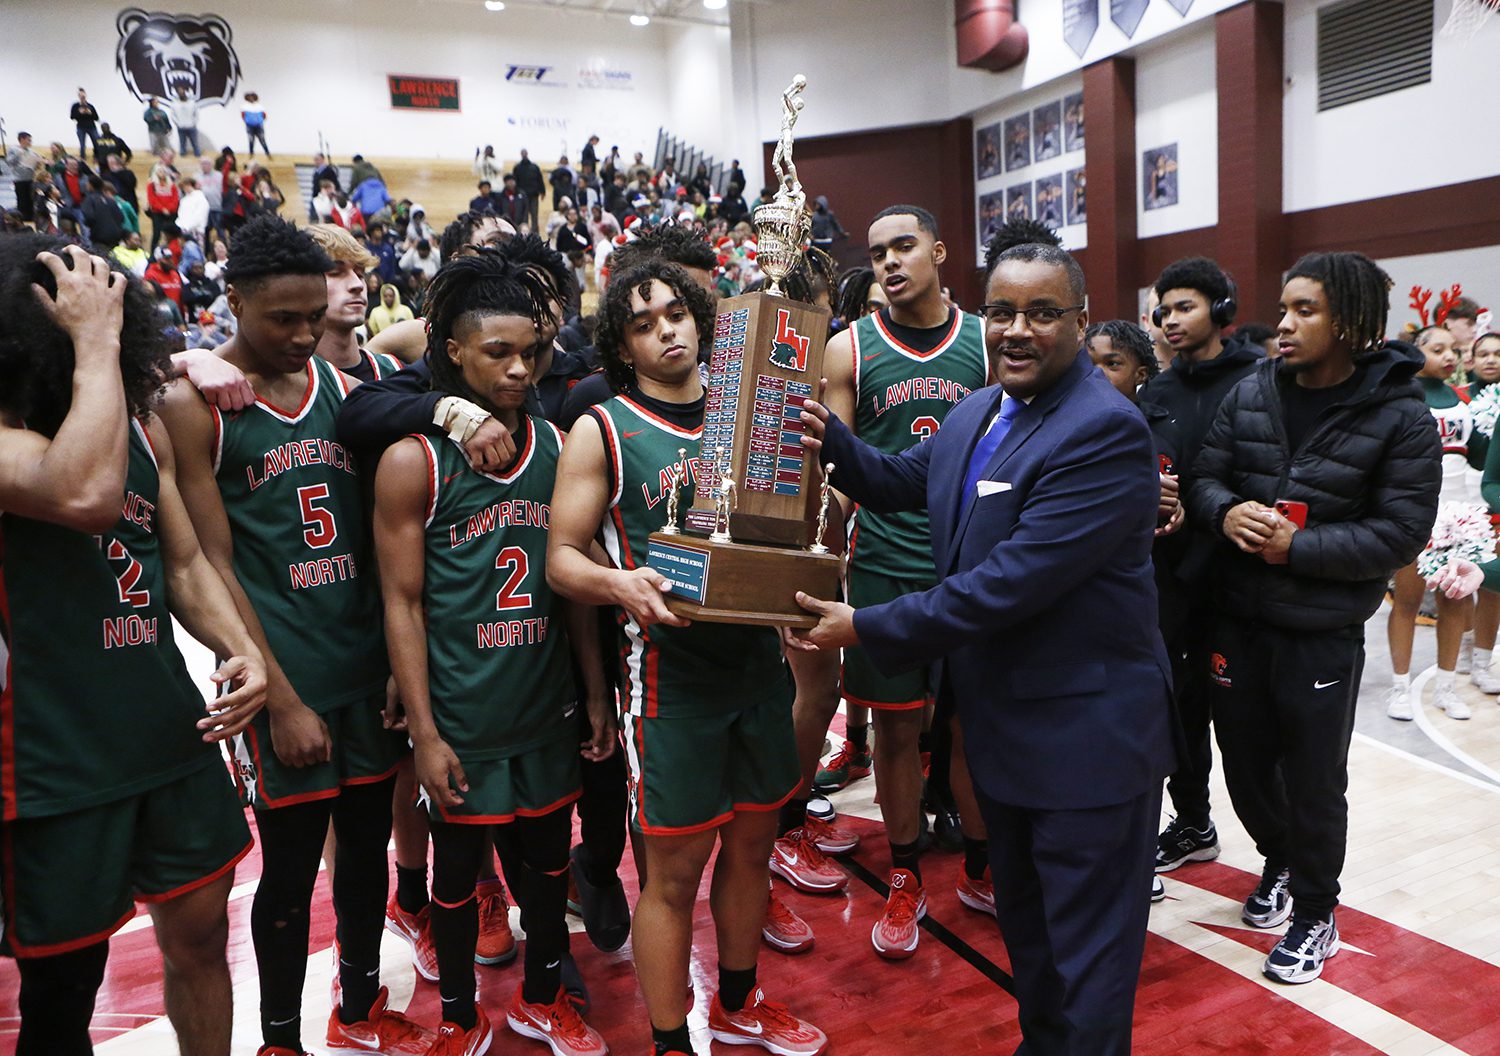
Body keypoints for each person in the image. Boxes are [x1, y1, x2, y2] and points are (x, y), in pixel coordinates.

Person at [793, 241, 1174, 1054]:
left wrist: (860, 623)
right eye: (1003, 312)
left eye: (1042, 313)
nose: (1018, 330)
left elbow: (1006, 585)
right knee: (1033, 949)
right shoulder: (978, 412)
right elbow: (900, 480)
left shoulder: (1104, 432)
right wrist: (827, 435)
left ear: (1079, 321)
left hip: (1087, 748)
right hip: (1004, 737)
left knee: (1089, 968)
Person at [547, 257, 827, 1056]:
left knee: (751, 849)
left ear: (702, 318)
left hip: (757, 673)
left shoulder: (751, 417)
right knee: (671, 877)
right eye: (642, 323)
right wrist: (618, 583)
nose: (665, 329)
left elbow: (779, 533)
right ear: (622, 345)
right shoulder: (603, 428)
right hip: (669, 684)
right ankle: (673, 1042)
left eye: (675, 312)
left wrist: (791, 601)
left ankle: (738, 1003)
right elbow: (560, 557)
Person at [157, 215, 420, 1056]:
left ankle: (360, 1008)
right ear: (231, 301)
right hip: (286, 676)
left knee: (367, 851)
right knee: (292, 865)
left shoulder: (349, 391)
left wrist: (392, 667)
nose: (306, 334)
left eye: (317, 318)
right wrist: (280, 699)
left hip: (362, 664)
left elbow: (383, 546)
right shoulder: (198, 405)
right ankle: (279, 1039)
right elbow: (214, 563)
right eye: (284, 319)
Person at [0, 235, 267, 1056]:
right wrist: (95, 343)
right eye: (81, 311)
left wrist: (241, 649)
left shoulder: (142, 422)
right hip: (53, 761)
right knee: (62, 993)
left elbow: (181, 561)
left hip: (167, 733)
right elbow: (81, 491)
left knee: (199, 946)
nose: (103, 317)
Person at [374, 250, 611, 1056]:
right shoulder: (414, 459)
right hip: (464, 710)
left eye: (529, 354)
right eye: (497, 354)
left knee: (548, 864)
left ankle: (545, 996)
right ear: (454, 355)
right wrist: (427, 734)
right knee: (455, 870)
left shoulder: (557, 444)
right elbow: (401, 604)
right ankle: (459, 1016)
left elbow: (571, 580)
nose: (518, 370)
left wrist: (597, 692)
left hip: (544, 700)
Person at [1187, 251, 1440, 983]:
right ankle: (1280, 861)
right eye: (1286, 308)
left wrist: (1301, 546)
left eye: (1307, 311)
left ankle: (1316, 914)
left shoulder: (1403, 417)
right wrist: (1225, 510)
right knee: (1242, 761)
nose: (1287, 324)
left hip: (1320, 630)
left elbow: (1401, 534)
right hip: (1237, 616)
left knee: (1313, 779)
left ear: (1352, 322)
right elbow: (1205, 476)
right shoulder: (1255, 388)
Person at [784, 205, 988, 958]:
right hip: (885, 563)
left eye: (904, 246)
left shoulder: (984, 340)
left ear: (939, 248)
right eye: (877, 252)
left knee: (970, 726)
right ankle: (905, 876)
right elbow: (838, 465)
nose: (890, 261)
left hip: (970, 560)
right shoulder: (850, 348)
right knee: (899, 729)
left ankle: (981, 863)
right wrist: (817, 538)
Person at [1136, 256, 1262, 877]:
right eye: (1164, 309)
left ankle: (1281, 852)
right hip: (1169, 579)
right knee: (1177, 711)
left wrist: (1210, 509)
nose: (1170, 319)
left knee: (1244, 725)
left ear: (1222, 309)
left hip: (1241, 578)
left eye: (1184, 306)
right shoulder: (1155, 391)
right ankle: (1192, 823)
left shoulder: (1260, 382)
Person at [1385, 324, 1487, 721]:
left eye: (1453, 351)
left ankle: (1446, 686)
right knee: (1408, 600)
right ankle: (1399, 686)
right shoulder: (1402, 397)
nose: (1449, 356)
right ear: (1416, 351)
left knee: (1455, 600)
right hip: (1416, 510)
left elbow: (1477, 456)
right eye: (1437, 348)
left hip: (1459, 512)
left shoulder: (1463, 398)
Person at [5, 131, 43, 222]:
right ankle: (22, 219)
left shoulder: (31, 151)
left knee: (30, 199)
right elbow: (9, 162)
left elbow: (35, 164)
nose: (30, 142)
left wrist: (37, 162)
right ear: (22, 139)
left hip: (30, 178)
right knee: (22, 200)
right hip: (19, 179)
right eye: (28, 140)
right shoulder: (13, 149)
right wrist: (19, 154)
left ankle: (31, 218)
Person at [169, 87, 201, 157]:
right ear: (178, 94)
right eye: (180, 93)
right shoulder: (174, 104)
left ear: (185, 93)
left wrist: (193, 123)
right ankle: (183, 153)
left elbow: (196, 114)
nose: (181, 94)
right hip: (181, 127)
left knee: (195, 142)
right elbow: (173, 115)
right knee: (182, 142)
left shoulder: (192, 103)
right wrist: (178, 124)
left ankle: (197, 153)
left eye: (182, 92)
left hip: (191, 126)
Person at [70, 87, 100, 158]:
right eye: (81, 96)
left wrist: (90, 113)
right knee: (82, 145)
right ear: (78, 96)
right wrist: (79, 112)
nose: (82, 97)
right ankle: (83, 158)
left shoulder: (90, 106)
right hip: (81, 127)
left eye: (83, 96)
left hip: (92, 127)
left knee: (97, 142)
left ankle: (97, 157)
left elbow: (96, 118)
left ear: (86, 95)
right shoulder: (75, 106)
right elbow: (72, 117)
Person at [242, 92, 270, 157]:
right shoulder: (245, 106)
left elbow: (264, 115)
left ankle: (267, 153)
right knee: (251, 140)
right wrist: (248, 121)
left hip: (259, 125)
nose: (251, 99)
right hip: (250, 125)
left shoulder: (259, 106)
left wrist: (260, 121)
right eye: (250, 97)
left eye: (252, 97)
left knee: (262, 139)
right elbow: (243, 116)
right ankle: (251, 153)